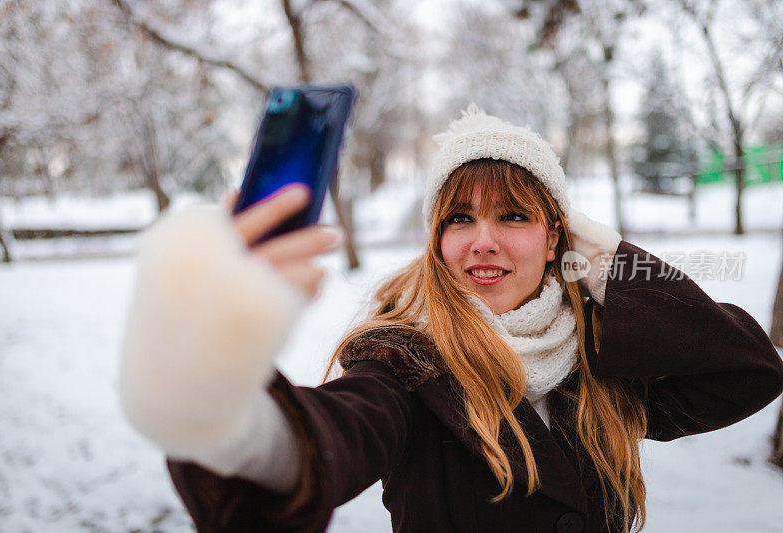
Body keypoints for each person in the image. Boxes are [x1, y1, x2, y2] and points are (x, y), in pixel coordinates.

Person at [119, 105, 783, 533]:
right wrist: (205, 391)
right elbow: (327, 439)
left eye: (514, 216)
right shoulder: (404, 361)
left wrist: (609, 262)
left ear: (559, 239)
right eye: (458, 218)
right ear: (435, 238)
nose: (481, 241)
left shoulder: (600, 352)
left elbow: (745, 370)